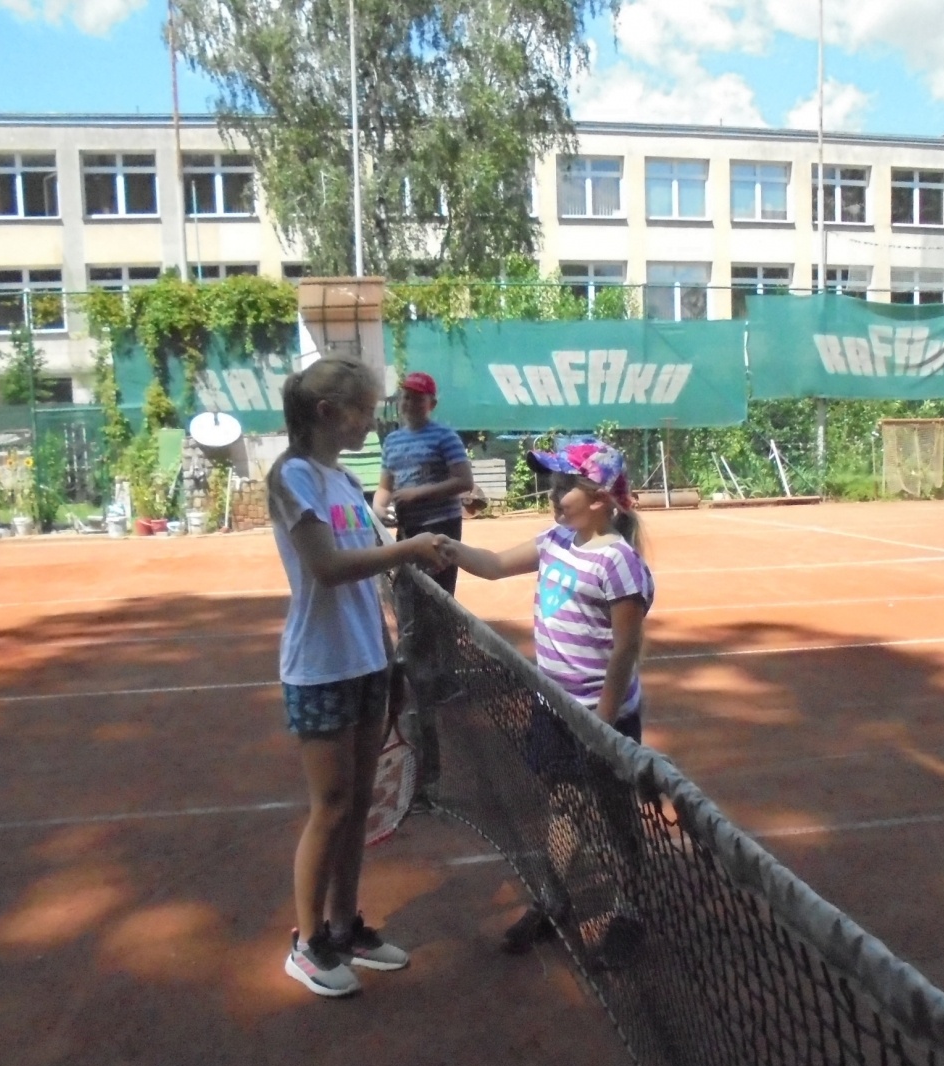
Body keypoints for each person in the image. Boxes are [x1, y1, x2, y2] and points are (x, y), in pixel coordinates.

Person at [267, 354, 452, 999]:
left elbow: (371, 577)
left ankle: (345, 926)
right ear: (328, 413)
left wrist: (391, 652)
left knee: (358, 805)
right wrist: (410, 548)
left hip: (369, 661)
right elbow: (328, 567)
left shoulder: (343, 479)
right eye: (366, 409)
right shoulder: (292, 477)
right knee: (333, 805)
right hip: (319, 669)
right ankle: (308, 940)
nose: (375, 420)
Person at [436, 436, 654, 960]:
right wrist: (445, 547)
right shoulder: (555, 540)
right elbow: (489, 563)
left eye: (567, 486)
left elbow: (626, 647)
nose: (555, 494)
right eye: (553, 483)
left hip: (602, 717)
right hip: (552, 707)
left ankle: (632, 908)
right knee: (563, 803)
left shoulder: (618, 562)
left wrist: (601, 724)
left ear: (600, 499)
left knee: (616, 813)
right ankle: (555, 899)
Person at [373, 371, 473, 595]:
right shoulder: (392, 440)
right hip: (407, 528)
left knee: (437, 596)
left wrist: (417, 494)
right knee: (406, 594)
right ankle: (411, 632)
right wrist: (379, 508)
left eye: (418, 398)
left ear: (432, 404)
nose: (410, 403)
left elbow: (464, 480)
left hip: (441, 528)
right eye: (406, 397)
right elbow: (385, 487)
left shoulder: (445, 436)